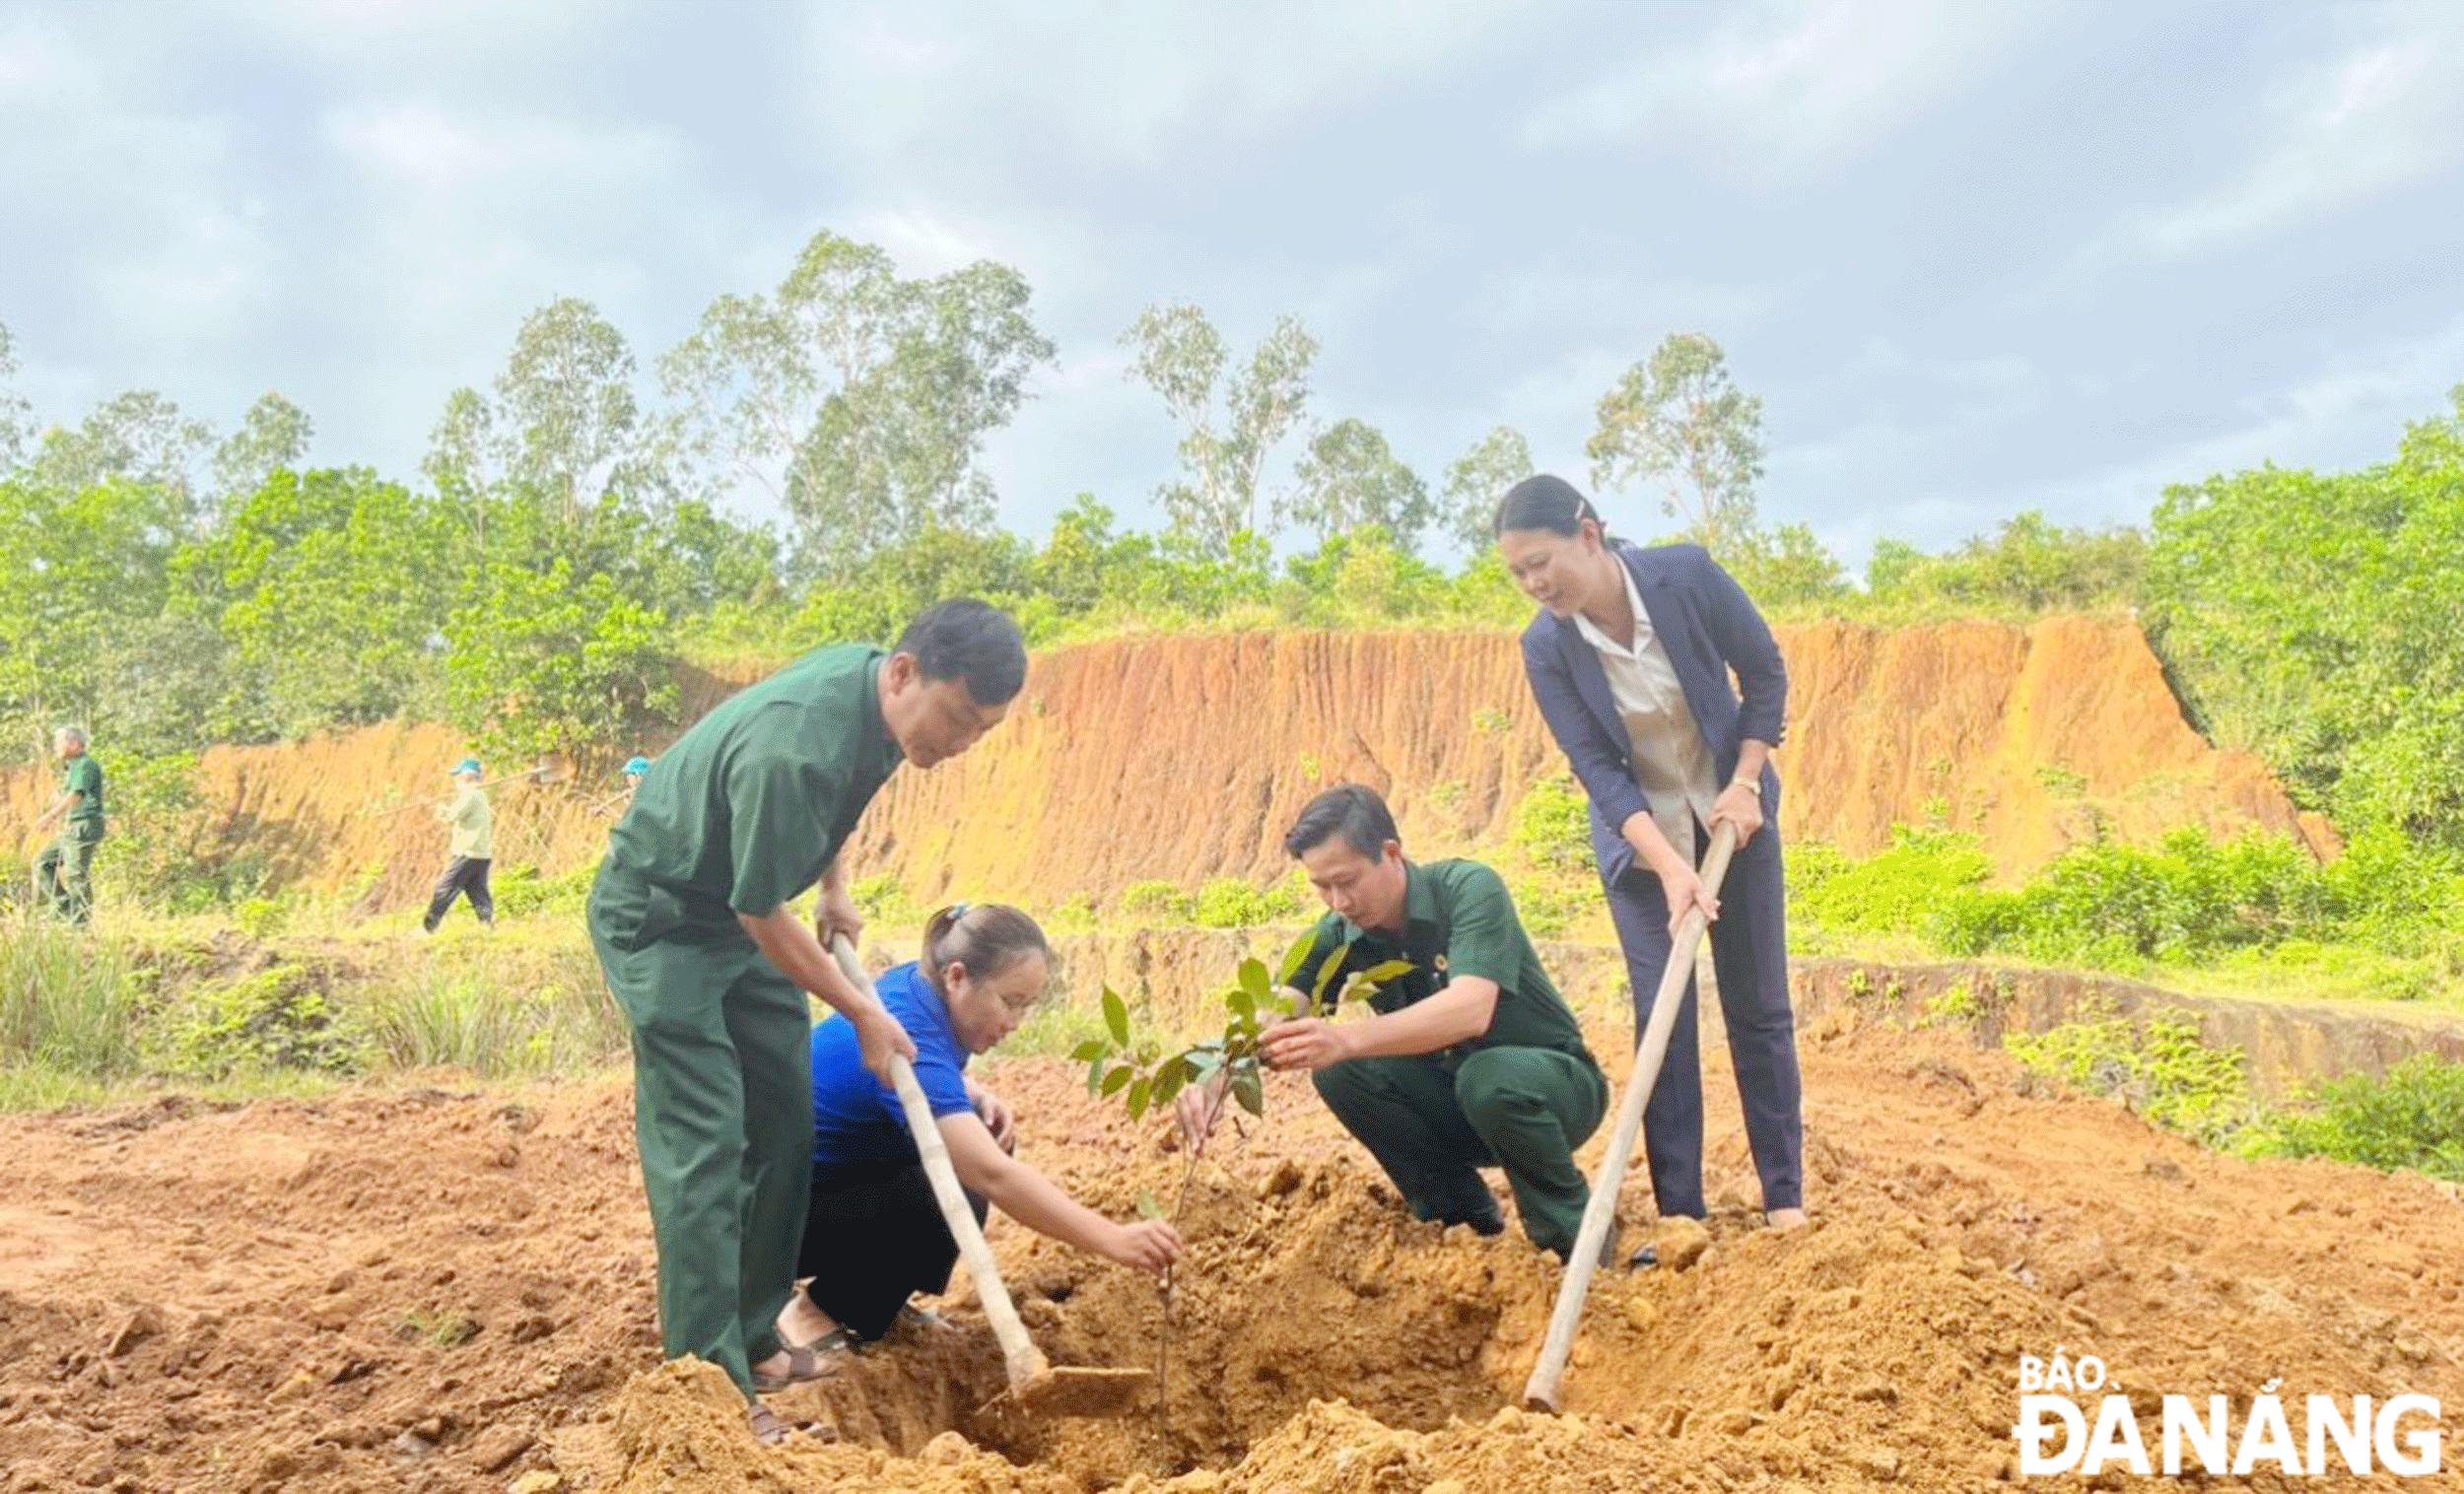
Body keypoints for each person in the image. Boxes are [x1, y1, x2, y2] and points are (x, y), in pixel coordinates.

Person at [585, 598, 1025, 1444]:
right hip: (668, 915)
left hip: (740, 906)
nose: (964, 741)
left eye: (983, 730)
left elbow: (834, 811)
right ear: (904, 674)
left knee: (783, 1121)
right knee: (706, 1140)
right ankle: (707, 1378)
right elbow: (759, 911)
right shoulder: (797, 745)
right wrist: (860, 1008)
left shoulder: (887, 711)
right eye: (961, 719)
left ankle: (756, 1336)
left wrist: (832, 888)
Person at [1494, 474, 1807, 1264]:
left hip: (1736, 821)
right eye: (1518, 574)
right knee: (1663, 1019)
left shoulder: (1687, 576)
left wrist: (1743, 781)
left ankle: (1784, 1198)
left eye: (1541, 563)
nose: (1535, 585)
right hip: (1643, 852)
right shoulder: (1546, 644)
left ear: (1589, 535)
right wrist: (1670, 866)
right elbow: (1597, 768)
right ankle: (1683, 1213)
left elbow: (1763, 674)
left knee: (1758, 1007)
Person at [1180, 784, 1609, 1262]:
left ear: (1391, 853)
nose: (1338, 901)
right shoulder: (1337, 936)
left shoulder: (1469, 890)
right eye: (1322, 888)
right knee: (1340, 1072)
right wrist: (1218, 1067)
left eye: (1347, 881)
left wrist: (1343, 1037)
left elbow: (1471, 1008)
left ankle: (1572, 1242)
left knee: (1485, 1076)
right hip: (1456, 1106)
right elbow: (1278, 1010)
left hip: (1554, 1094)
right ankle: (1460, 1224)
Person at [780, 902, 1182, 1355]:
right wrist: (1113, 1238)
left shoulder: (914, 987)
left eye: (1026, 1007)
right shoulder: (911, 1045)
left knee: (979, 1137)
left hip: (807, 1191)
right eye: (1009, 1002)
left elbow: (910, 1073)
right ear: (956, 977)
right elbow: (994, 1176)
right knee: (955, 1181)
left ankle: (871, 1298)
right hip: (767, 1225)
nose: (1014, 1023)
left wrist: (967, 1089)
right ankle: (823, 1312)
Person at [31, 725, 104, 925]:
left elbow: (76, 795)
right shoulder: (73, 767)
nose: (56, 748)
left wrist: (50, 816)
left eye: (59, 743)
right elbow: (71, 797)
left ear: (74, 744)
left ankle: (81, 923)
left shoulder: (85, 765)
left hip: (84, 825)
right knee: (42, 863)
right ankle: (65, 908)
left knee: (76, 873)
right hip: (71, 826)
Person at [423, 757, 495, 933]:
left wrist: (436, 806)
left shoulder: (470, 794)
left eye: (457, 777)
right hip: (481, 854)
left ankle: (428, 929)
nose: (455, 781)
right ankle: (488, 927)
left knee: (444, 888)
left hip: (467, 853)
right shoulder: (479, 795)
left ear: (467, 777)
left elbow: (451, 816)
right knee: (478, 893)